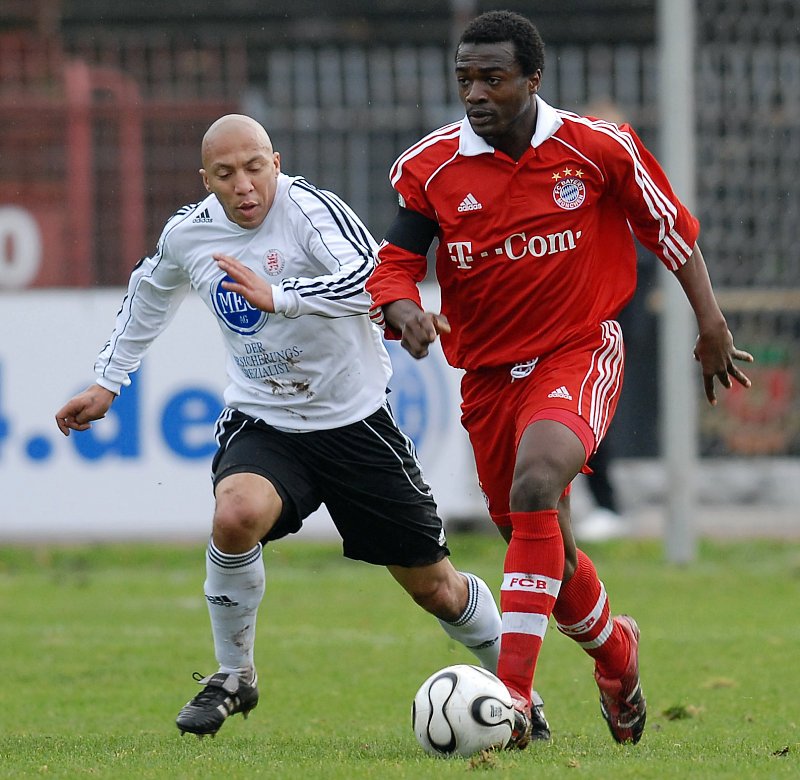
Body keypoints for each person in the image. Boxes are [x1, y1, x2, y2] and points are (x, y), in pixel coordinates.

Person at [54, 113, 550, 742]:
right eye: (225, 174)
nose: (243, 185)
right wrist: (107, 382)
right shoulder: (188, 234)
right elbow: (149, 293)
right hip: (264, 420)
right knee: (235, 514)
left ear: (276, 163)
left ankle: (520, 694)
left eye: (254, 168)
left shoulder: (310, 211)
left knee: (438, 591)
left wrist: (280, 295)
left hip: (354, 424)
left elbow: (371, 279)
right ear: (205, 179)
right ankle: (234, 674)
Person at [366, 10, 753, 747]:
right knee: (545, 546)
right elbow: (395, 263)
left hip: (579, 348)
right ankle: (616, 654)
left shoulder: (598, 147)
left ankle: (512, 698)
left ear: (532, 79)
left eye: (492, 78)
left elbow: (670, 229)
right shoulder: (432, 166)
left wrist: (711, 325)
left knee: (537, 482)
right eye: (465, 79)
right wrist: (403, 308)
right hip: (488, 377)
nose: (475, 93)